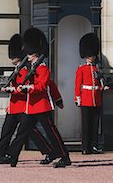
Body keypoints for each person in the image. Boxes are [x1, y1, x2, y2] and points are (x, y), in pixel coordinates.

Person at [0, 34, 62, 165]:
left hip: (24, 106)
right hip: (15, 106)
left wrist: (57, 98)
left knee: (30, 132)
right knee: (8, 131)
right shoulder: (20, 69)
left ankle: (50, 151)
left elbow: (43, 84)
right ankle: (1, 154)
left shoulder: (30, 69)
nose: (12, 59)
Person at [7, 27, 71, 168]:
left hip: (42, 106)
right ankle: (13, 156)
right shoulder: (30, 68)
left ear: (35, 53)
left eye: (30, 53)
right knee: (22, 132)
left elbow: (42, 86)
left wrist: (29, 88)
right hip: (31, 107)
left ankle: (64, 156)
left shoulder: (42, 68)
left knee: (51, 132)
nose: (27, 55)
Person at [74, 33, 109, 155]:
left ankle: (94, 146)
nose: (90, 57)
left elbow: (100, 83)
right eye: (88, 55)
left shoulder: (97, 69)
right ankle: (85, 147)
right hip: (85, 98)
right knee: (86, 124)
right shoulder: (81, 69)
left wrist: (102, 86)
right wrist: (77, 98)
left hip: (96, 98)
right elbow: (78, 84)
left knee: (95, 124)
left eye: (92, 55)